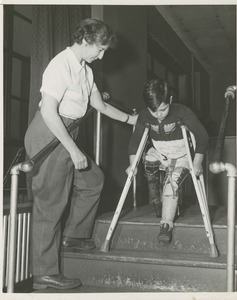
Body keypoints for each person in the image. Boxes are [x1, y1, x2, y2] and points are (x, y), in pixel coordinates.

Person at [24, 18, 137, 290]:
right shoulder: (59, 65)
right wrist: (73, 149)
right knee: (50, 205)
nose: (102, 55)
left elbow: (100, 105)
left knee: (93, 181)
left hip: (66, 132)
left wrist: (134, 121)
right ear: (85, 41)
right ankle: (44, 273)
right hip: (49, 133)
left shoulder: (85, 70)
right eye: (99, 49)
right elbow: (49, 111)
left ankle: (74, 235)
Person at [126, 79, 209, 245]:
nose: (158, 114)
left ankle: (166, 224)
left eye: (163, 109)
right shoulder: (144, 115)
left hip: (182, 156)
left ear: (170, 100)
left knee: (171, 185)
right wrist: (132, 164)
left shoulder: (182, 111)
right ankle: (156, 199)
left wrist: (197, 162)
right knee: (148, 157)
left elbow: (203, 137)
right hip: (161, 154)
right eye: (153, 110)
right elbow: (135, 142)